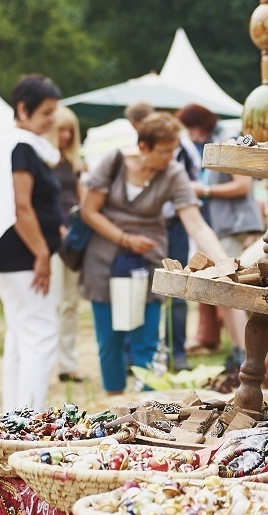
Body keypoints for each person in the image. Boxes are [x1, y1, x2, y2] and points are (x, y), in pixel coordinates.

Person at [80, 112, 226, 394]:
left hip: (147, 262)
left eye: (174, 150)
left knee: (146, 338)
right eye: (164, 151)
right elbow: (89, 211)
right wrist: (125, 238)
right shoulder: (115, 162)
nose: (170, 157)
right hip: (104, 261)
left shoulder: (173, 172)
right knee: (109, 340)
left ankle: (147, 407)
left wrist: (225, 263)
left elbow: (195, 223)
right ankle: (113, 402)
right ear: (143, 147)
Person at [0, 74, 63, 411]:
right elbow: (20, 205)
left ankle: (15, 412)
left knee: (20, 337)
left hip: (14, 254)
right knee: (41, 336)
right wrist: (41, 252)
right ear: (23, 109)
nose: (52, 119)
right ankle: (30, 415)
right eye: (46, 112)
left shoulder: (13, 146)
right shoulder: (21, 148)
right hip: (24, 254)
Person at [177, 104, 264, 371]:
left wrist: (202, 191)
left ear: (198, 124)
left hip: (235, 226)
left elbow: (242, 185)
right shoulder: (210, 141)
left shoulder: (227, 140)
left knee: (230, 292)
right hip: (221, 227)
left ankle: (243, 353)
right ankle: (238, 350)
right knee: (224, 294)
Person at [125, 101, 199, 371]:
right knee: (138, 290)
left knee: (177, 291)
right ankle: (134, 356)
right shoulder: (124, 161)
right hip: (144, 230)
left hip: (175, 225)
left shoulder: (180, 154)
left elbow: (194, 193)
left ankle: (177, 352)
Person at [48, 106, 85, 383]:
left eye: (69, 130)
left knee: (70, 302)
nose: (65, 135)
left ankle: (68, 364)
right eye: (61, 129)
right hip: (51, 237)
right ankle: (50, 362)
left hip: (73, 238)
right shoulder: (42, 161)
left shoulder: (74, 163)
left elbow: (81, 200)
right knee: (54, 302)